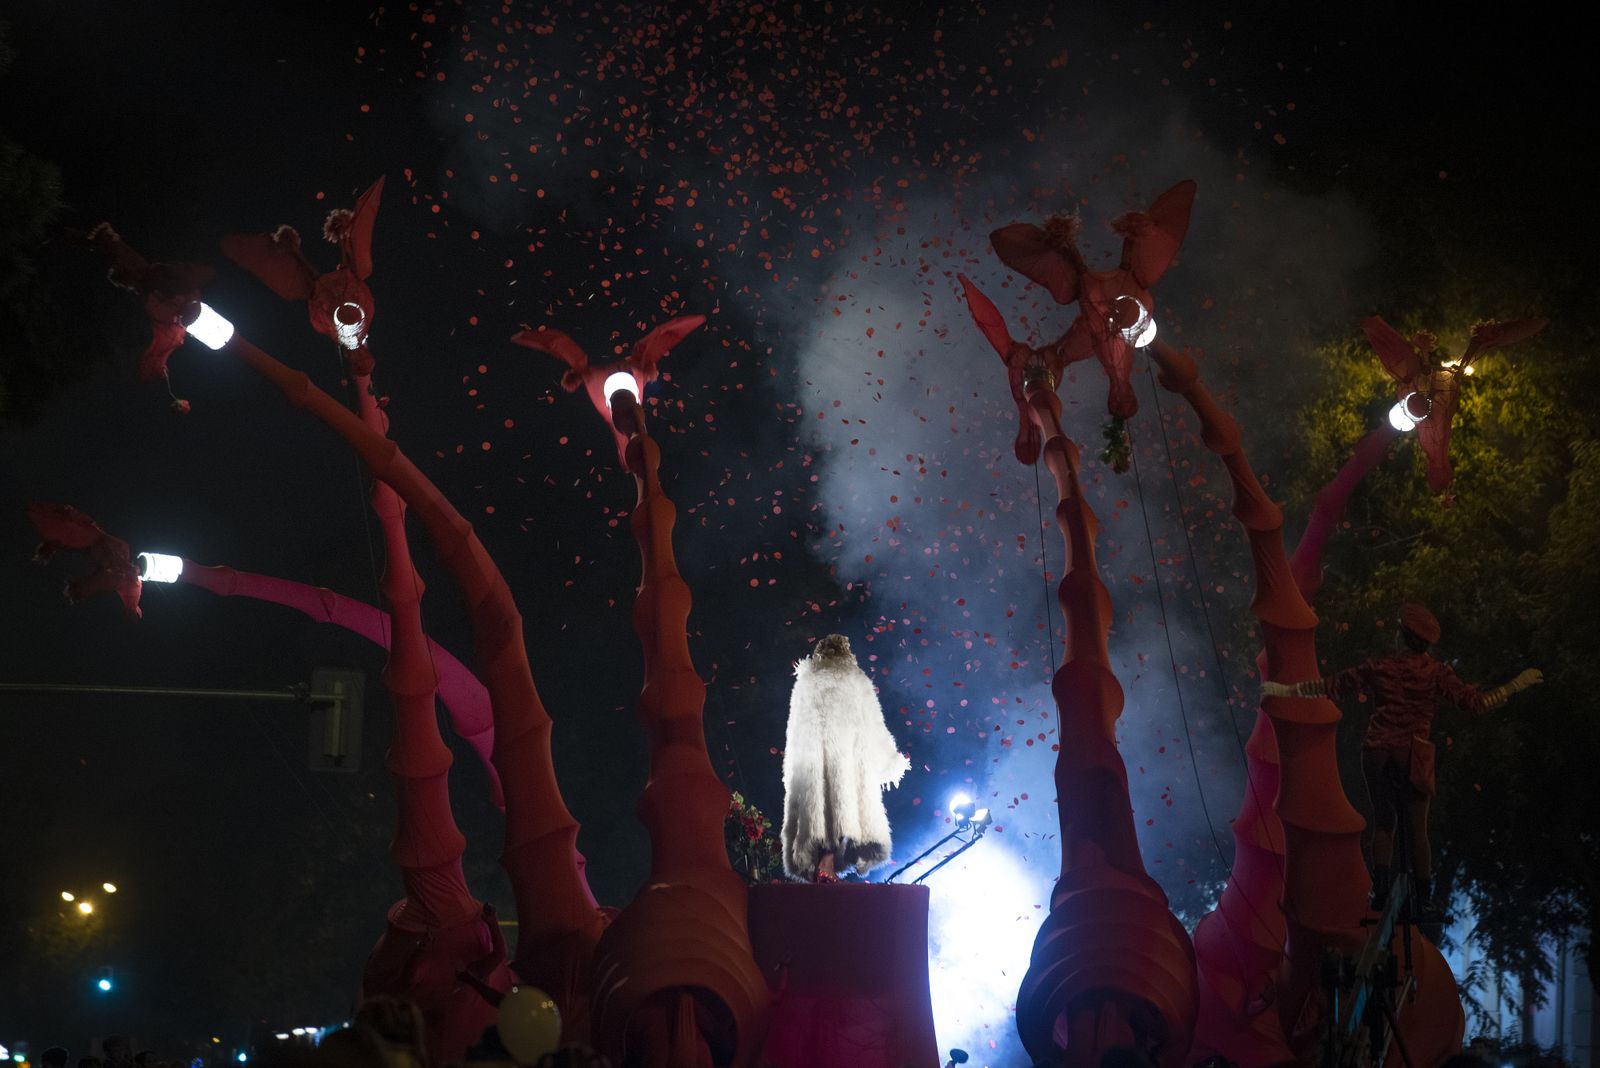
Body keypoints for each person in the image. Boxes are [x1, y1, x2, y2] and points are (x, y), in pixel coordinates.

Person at [1262, 602, 1541, 911]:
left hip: (1377, 751)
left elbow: (1332, 685)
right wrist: (1515, 685)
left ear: (1402, 636)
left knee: (1384, 823)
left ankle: (1380, 891)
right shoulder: (1436, 672)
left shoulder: (1380, 666)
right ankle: (1423, 899)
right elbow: (1477, 703)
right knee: (1417, 829)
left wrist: (1285, 691)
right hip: (1413, 754)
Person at [781, 633, 910, 881]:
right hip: (847, 759)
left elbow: (794, 730)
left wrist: (792, 773)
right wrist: (890, 759)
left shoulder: (806, 682)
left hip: (813, 762)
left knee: (819, 814)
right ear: (846, 654)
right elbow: (874, 722)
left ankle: (822, 864)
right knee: (844, 811)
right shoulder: (855, 679)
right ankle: (828, 864)